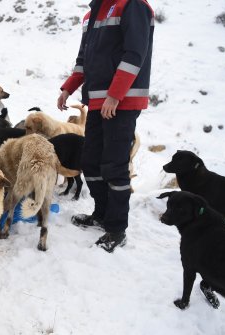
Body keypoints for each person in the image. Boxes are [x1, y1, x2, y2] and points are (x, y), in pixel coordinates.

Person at [57, 0, 154, 252]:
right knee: (91, 162)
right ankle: (101, 214)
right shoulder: (92, 14)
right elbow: (84, 60)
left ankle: (117, 229)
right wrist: (68, 88)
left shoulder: (133, 6)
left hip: (122, 101)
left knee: (114, 164)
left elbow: (135, 54)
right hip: (99, 100)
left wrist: (116, 93)